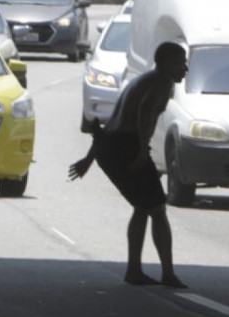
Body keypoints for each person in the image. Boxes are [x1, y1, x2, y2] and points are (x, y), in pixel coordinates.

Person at [68, 41, 189, 288]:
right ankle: (165, 273)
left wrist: (90, 158)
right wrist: (142, 152)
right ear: (165, 63)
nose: (184, 68)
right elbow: (144, 114)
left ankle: (136, 269)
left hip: (112, 146)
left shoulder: (144, 80)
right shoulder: (161, 82)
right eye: (179, 63)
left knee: (144, 207)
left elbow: (110, 125)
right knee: (156, 209)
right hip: (126, 147)